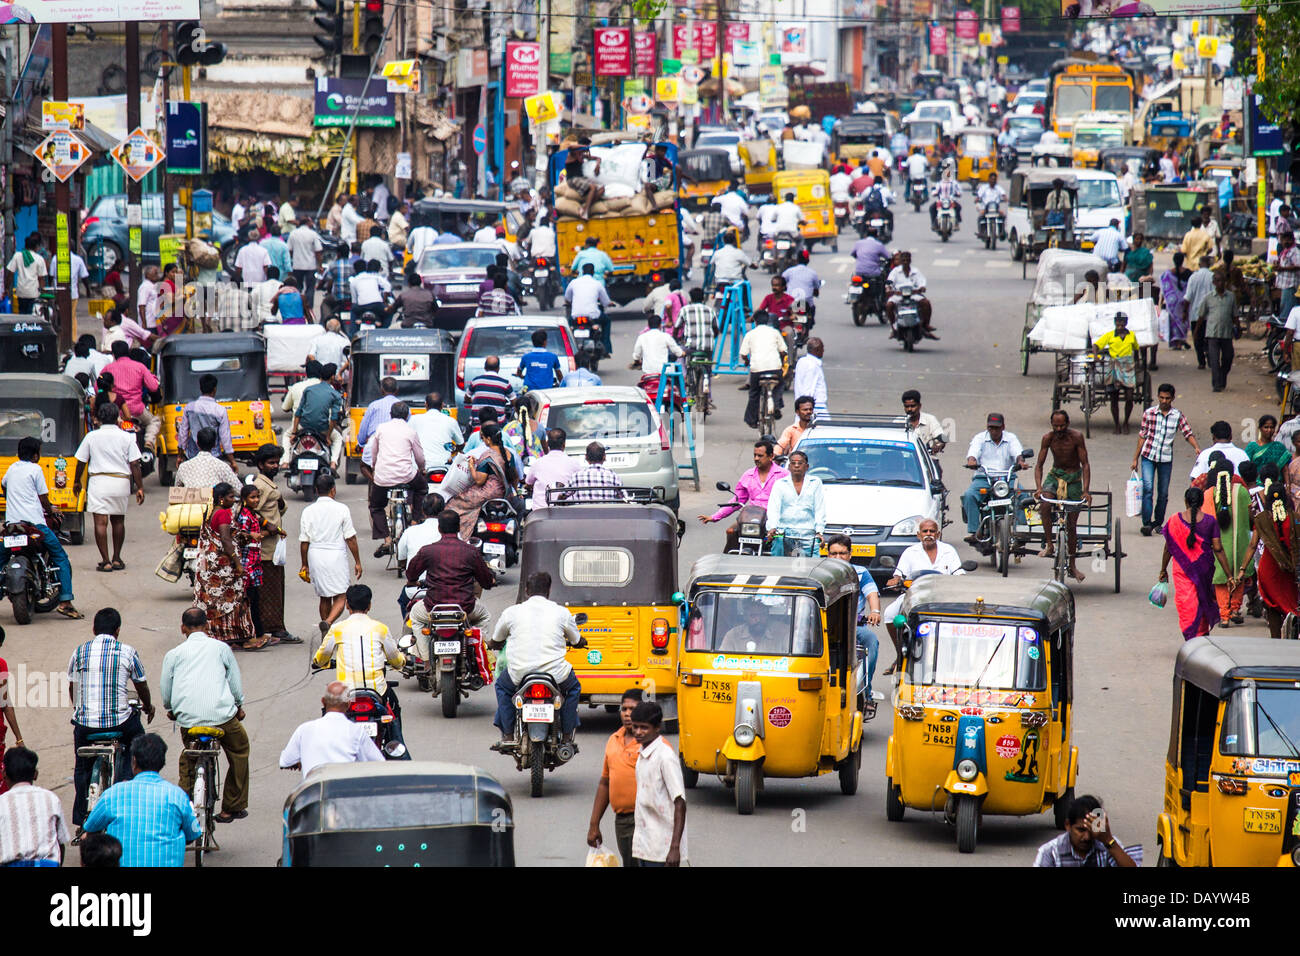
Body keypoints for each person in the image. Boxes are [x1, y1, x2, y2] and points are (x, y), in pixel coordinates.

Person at [67, 607, 155, 831]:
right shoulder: (127, 652)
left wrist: (80, 709)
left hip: (85, 725)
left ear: (94, 629)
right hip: (120, 723)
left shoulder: (79, 652)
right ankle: (126, 780)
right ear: (117, 631)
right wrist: (148, 706)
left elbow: (73, 687)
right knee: (137, 741)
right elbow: (141, 685)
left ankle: (82, 818)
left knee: (82, 766)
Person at [160, 607, 250, 823]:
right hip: (222, 718)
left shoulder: (174, 654)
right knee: (240, 750)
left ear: (183, 628)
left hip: (188, 720)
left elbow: (166, 687)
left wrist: (171, 709)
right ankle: (232, 806)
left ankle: (185, 809)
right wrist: (238, 706)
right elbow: (235, 683)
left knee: (190, 756)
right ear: (207, 626)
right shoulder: (221, 648)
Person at [489, 571, 585, 747]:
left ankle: (508, 735)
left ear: (526, 590)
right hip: (556, 674)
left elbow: (496, 639)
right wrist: (580, 642)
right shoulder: (562, 613)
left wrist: (493, 644)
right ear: (549, 590)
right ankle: (566, 736)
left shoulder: (511, 612)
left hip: (520, 673)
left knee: (502, 687)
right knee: (573, 689)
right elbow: (576, 640)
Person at [313, 585, 408, 757]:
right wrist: (401, 662)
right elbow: (395, 658)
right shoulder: (380, 628)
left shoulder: (337, 629)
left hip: (347, 694)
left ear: (347, 605)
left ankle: (325, 752)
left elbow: (321, 657)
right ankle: (399, 752)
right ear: (369, 605)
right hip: (377, 691)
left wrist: (320, 663)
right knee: (393, 710)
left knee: (328, 712)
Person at [80, 734, 200, 868]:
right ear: (162, 762)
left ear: (134, 761)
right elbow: (193, 834)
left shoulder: (113, 793)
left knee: (86, 838)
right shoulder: (177, 795)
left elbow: (90, 828)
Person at [3, 436, 79, 618]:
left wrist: (12, 499)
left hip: (12, 527)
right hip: (35, 526)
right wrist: (51, 510)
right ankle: (66, 601)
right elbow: (43, 498)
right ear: (36, 455)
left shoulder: (12, 469)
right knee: (60, 557)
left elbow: (4, 485)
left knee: (1, 558)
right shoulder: (36, 469)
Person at [71, 403, 145, 573]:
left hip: (99, 481)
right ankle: (117, 558)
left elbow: (81, 461)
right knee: (118, 521)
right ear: (117, 417)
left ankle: (105, 561)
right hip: (120, 482)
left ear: (99, 418)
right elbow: (135, 463)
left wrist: (77, 481)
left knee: (100, 522)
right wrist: (140, 487)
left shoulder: (91, 436)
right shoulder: (127, 437)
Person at [405, 508, 495, 647]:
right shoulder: (471, 551)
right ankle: (480, 651)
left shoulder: (428, 551)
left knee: (415, 616)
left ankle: (425, 656)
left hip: (433, 608)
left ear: (439, 528)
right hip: (465, 608)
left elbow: (411, 574)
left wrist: (413, 581)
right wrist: (490, 580)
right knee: (484, 616)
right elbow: (486, 582)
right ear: (458, 528)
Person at [882, 518, 964, 669]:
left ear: (938, 534)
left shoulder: (949, 550)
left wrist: (960, 580)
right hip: (914, 596)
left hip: (943, 597)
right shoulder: (910, 552)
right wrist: (895, 581)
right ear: (918, 535)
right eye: (925, 531)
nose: (928, 534)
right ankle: (900, 654)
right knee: (889, 613)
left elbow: (959, 573)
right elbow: (898, 574)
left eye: (932, 531)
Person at [1160, 487, 1235, 640]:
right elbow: (1218, 549)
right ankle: (1202, 636)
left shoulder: (1174, 520)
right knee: (1203, 600)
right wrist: (1229, 575)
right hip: (1204, 571)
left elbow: (1168, 548)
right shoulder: (1210, 521)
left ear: (1185, 501)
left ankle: (1191, 638)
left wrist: (1163, 569)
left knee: (1187, 605)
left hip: (1182, 572)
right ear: (1202, 502)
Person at [192, 482, 259, 649]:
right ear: (221, 498)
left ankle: (216, 634)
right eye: (231, 496)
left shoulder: (211, 511)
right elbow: (226, 539)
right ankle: (239, 636)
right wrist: (238, 563)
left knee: (214, 601)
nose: (234, 499)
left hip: (210, 565)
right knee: (234, 599)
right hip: (223, 567)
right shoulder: (223, 514)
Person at [279, 680, 383, 780]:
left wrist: (300, 761)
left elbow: (285, 761)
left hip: (314, 790)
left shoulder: (304, 730)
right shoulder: (356, 732)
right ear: (348, 704)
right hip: (344, 789)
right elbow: (379, 764)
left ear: (323, 702)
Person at [1132, 384, 1200, 535]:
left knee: (1163, 493)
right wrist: (1135, 459)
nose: (1164, 401)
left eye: (1167, 398)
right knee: (1148, 489)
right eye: (1162, 398)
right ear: (1158, 397)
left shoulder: (1177, 415)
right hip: (1148, 456)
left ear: (1172, 398)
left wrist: (1196, 447)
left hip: (1165, 458)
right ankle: (1146, 523)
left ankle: (1158, 523)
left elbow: (1187, 433)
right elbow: (1142, 436)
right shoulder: (1149, 413)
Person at [586, 688, 643, 866]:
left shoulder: (650, 745)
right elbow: (605, 783)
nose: (627, 714)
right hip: (622, 822)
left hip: (645, 820)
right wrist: (594, 824)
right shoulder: (614, 740)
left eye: (632, 709)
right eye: (624, 709)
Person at [299, 472, 363, 632]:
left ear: (316, 490)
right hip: (336, 556)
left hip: (315, 555)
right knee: (342, 595)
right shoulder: (342, 509)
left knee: (324, 596)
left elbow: (304, 542)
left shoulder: (308, 511)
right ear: (333, 490)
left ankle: (326, 632)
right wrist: (357, 561)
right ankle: (328, 622)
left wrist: (304, 564)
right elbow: (350, 538)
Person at [362, 402, 427, 557]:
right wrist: (422, 468)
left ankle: (386, 539)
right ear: (407, 416)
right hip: (406, 475)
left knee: (376, 507)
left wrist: (375, 466)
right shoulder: (410, 431)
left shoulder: (381, 429)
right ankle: (415, 521)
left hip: (383, 477)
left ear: (390, 415)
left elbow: (374, 452)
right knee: (422, 488)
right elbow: (419, 457)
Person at [826, 534, 880, 718]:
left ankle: (867, 692)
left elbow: (871, 593)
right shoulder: (820, 572)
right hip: (824, 628)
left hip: (853, 627)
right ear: (827, 554)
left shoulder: (861, 573)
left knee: (871, 641)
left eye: (842, 553)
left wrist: (875, 611)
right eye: (834, 554)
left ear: (850, 554)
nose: (838, 557)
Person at [1034, 410, 1091, 583]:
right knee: (1044, 504)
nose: (1059, 429)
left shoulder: (1077, 437)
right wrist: (1039, 488)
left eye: (1062, 425)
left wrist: (1086, 490)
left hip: (1074, 479)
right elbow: (1039, 465)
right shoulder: (1047, 438)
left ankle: (1072, 565)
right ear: (1052, 424)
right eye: (1055, 426)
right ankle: (1050, 545)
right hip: (1055, 476)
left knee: (1072, 525)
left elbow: (1085, 464)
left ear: (1068, 423)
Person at [629, 699, 687, 867]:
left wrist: (675, 847)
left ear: (657, 728)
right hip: (645, 843)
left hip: (662, 848)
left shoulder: (665, 757)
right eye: (635, 727)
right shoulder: (643, 754)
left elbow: (680, 802)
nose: (638, 732)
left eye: (644, 728)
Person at [1242, 479, 1300, 639]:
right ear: (1285, 498)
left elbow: (1252, 545)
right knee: (1291, 605)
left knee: (1271, 605)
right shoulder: (1295, 519)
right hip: (1290, 573)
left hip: (1269, 571)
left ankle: (1275, 640)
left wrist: (1242, 570)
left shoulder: (1262, 519)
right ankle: (1291, 636)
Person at [1203, 456, 1253, 628]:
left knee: (1221, 579)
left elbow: (1206, 521)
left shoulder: (1209, 494)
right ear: (1232, 475)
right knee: (1239, 573)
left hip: (1218, 546)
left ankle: (1224, 615)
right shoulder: (1242, 491)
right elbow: (1250, 516)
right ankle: (1235, 609)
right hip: (1240, 544)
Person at [962, 412, 1024, 542]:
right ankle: (975, 531)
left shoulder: (1011, 438)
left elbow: (1018, 453)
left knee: (1023, 496)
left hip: (1007, 478)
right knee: (969, 495)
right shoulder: (980, 438)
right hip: (984, 478)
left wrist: (1020, 462)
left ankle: (1021, 531)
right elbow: (973, 452)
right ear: (987, 427)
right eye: (991, 428)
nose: (994, 431)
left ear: (1003, 427)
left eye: (997, 428)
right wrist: (972, 461)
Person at [0, 748, 68, 866]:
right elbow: (61, 842)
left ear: (4, 774)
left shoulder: (2, 802)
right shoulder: (50, 798)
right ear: (35, 774)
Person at [447, 421, 516, 537]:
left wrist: (471, 466)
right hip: (505, 494)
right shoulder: (509, 454)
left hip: (487, 493)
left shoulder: (488, 455)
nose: (483, 441)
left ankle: (459, 535)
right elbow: (515, 476)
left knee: (453, 503)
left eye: (483, 438)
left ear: (488, 439)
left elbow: (479, 481)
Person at [700, 438, 788, 527]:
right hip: (754, 517)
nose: (756, 458)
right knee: (731, 532)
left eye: (760, 456)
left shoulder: (784, 475)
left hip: (778, 519)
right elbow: (738, 500)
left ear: (771, 456)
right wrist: (714, 517)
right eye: (755, 455)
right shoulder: (748, 475)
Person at [1033, 794, 1136, 867]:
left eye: (1091, 830)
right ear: (1068, 825)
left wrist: (1109, 840)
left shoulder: (1108, 845)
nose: (1086, 837)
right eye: (1081, 830)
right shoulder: (1050, 852)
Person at [100, 340, 161, 455]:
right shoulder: (140, 367)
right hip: (137, 410)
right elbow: (153, 387)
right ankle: (148, 441)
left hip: (117, 412)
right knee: (154, 421)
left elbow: (98, 388)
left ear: (113, 354)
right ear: (128, 352)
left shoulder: (108, 368)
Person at [766, 450, 824, 557]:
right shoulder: (780, 484)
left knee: (813, 562)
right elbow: (774, 508)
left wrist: (819, 531)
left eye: (800, 463)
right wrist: (772, 527)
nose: (796, 466)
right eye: (793, 463)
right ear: (789, 467)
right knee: (777, 559)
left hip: (808, 533)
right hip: (783, 531)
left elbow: (819, 509)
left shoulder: (815, 483)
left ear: (807, 466)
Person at [1092, 312, 1141, 433]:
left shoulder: (1132, 335)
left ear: (1126, 323)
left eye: (1122, 322)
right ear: (1115, 322)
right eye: (1118, 322)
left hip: (1128, 367)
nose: (1120, 324)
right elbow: (1096, 345)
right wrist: (1095, 355)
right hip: (1114, 367)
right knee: (1114, 397)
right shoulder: (1109, 335)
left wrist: (1137, 363)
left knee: (1129, 397)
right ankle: (1117, 425)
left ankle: (1126, 422)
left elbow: (1136, 349)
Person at [292, 363, 346, 471]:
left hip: (304, 427)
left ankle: (286, 462)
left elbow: (298, 412)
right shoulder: (335, 394)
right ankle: (333, 463)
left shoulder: (309, 390)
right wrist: (328, 436)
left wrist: (294, 433)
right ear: (332, 377)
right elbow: (334, 418)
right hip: (322, 429)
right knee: (338, 438)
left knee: (288, 437)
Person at [739, 310, 787, 430]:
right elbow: (783, 351)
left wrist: (746, 361)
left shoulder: (750, 334)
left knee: (754, 393)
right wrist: (780, 361)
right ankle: (776, 405)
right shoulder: (775, 332)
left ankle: (752, 420)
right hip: (775, 368)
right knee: (780, 385)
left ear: (755, 321)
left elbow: (743, 353)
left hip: (757, 370)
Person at [175, 375, 235, 467]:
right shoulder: (220, 410)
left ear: (200, 388)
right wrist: (232, 461)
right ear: (214, 389)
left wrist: (180, 455)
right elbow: (225, 437)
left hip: (193, 456)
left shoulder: (189, 408)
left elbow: (183, 433)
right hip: (213, 457)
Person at [1196, 270, 1237, 393]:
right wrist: (1196, 331)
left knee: (1228, 358)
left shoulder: (1231, 297)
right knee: (1214, 360)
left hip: (1226, 333)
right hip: (1212, 334)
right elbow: (1201, 316)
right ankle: (1216, 384)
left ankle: (1222, 376)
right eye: (1218, 281)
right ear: (1214, 283)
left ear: (1225, 282)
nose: (1220, 283)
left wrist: (1238, 327)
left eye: (1222, 281)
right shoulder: (1208, 298)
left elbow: (1235, 315)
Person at [526, 427, 581, 511]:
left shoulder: (537, 463)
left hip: (540, 512)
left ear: (547, 443)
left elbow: (528, 482)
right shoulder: (574, 464)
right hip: (566, 511)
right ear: (564, 444)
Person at [885, 251, 937, 339]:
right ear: (901, 261)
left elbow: (922, 281)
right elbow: (889, 282)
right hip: (898, 295)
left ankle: (926, 324)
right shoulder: (895, 272)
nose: (905, 262)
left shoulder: (916, 271)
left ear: (910, 260)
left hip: (913, 294)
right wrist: (888, 289)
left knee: (926, 303)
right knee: (889, 306)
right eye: (903, 260)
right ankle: (894, 327)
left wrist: (922, 287)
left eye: (907, 260)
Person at [409, 391, 463, 468]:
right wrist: (452, 451)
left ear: (426, 405)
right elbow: (460, 444)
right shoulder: (451, 421)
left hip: (420, 467)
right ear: (442, 405)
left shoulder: (414, 419)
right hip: (444, 465)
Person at [1183, 255, 1215, 369]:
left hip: (1195, 314)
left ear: (1199, 264)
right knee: (1210, 337)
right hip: (1210, 314)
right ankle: (1210, 356)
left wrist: (1185, 312)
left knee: (1197, 338)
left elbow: (1188, 297)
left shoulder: (1193, 277)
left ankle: (1201, 362)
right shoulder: (1213, 276)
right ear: (1209, 264)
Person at [630, 314, 684, 382]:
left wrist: (637, 361)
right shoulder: (666, 336)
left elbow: (636, 355)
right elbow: (678, 352)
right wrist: (683, 353)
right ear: (660, 325)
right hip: (663, 371)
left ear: (648, 325)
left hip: (648, 372)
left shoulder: (642, 337)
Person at [466, 356, 516, 425]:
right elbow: (514, 401)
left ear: (485, 368)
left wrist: (474, 401)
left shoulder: (476, 381)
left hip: (477, 422)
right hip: (498, 424)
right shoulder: (505, 383)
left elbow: (467, 397)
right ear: (498, 369)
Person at [5, 233, 47, 313]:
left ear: (25, 246)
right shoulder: (39, 259)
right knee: (31, 314)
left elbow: (10, 274)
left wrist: (6, 288)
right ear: (36, 247)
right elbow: (41, 278)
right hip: (33, 292)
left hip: (21, 292)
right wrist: (43, 293)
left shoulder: (17, 256)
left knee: (22, 313)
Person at [563, 144, 606, 220]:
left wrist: (597, 166)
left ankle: (585, 207)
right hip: (573, 179)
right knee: (593, 187)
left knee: (602, 189)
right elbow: (570, 147)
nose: (582, 153)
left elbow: (598, 158)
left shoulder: (582, 156)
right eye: (582, 151)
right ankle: (586, 212)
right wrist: (584, 146)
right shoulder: (571, 155)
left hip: (582, 179)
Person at [1160, 251, 1191, 349]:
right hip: (1184, 302)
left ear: (1174, 261)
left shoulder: (1167, 274)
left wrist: (1161, 302)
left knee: (1174, 323)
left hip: (1172, 303)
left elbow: (1164, 289)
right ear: (1183, 261)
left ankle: (1177, 342)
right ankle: (1182, 340)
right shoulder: (1189, 273)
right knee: (1183, 321)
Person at [793, 338, 828, 420]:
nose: (823, 351)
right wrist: (808, 411)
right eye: (822, 349)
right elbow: (808, 390)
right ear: (817, 350)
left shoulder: (802, 361)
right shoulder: (813, 366)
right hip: (816, 408)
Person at [930, 166, 962, 231]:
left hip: (951, 201)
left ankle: (956, 223)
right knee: (932, 208)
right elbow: (935, 190)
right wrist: (934, 193)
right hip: (941, 201)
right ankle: (934, 223)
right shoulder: (939, 183)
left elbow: (959, 191)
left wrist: (958, 194)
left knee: (958, 207)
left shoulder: (954, 183)